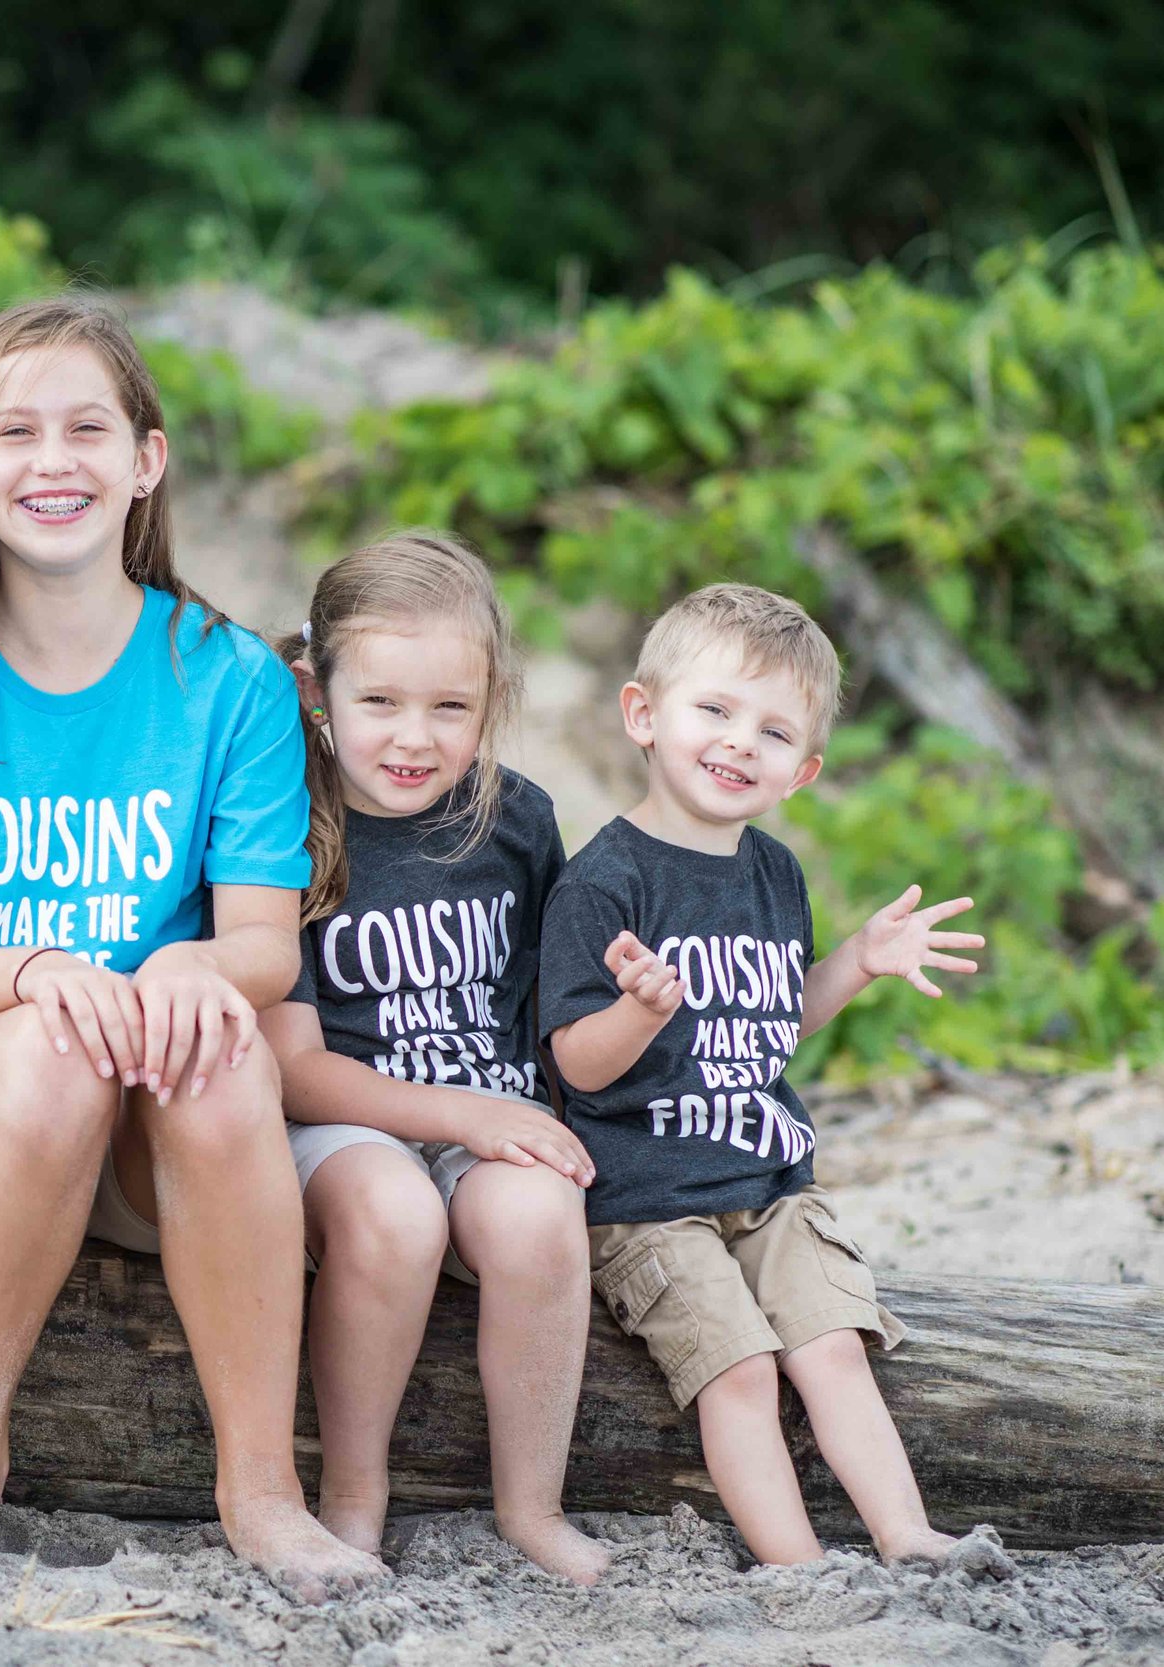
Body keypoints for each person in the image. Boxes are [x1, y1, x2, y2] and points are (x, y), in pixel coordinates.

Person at [0, 293, 372, 1600]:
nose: (51, 460)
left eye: (87, 428)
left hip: (165, 1123)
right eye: (15, 432)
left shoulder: (230, 677)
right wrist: (35, 976)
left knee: (225, 1047)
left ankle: (264, 1489)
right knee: (54, 1045)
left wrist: (189, 969)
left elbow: (260, 951)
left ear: (147, 461)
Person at [542, 582, 982, 1566]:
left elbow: (770, 1026)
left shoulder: (774, 874)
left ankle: (906, 1534)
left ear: (805, 767)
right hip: (648, 1197)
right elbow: (572, 1061)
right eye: (714, 710)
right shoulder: (605, 880)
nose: (740, 742)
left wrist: (857, 962)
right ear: (643, 715)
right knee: (739, 1366)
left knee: (830, 1345)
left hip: (767, 1182)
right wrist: (638, 1011)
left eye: (774, 730)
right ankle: (800, 1567)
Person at [262, 532, 609, 1583]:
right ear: (315, 688)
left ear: (492, 694)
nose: (414, 737)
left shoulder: (516, 820)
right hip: (344, 1120)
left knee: (541, 1210)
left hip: (487, 1109)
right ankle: (354, 1495)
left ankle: (531, 1506)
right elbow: (293, 1067)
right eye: (380, 704)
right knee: (394, 1213)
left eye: (449, 707)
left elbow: (553, 1006)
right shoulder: (285, 826)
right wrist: (459, 1117)